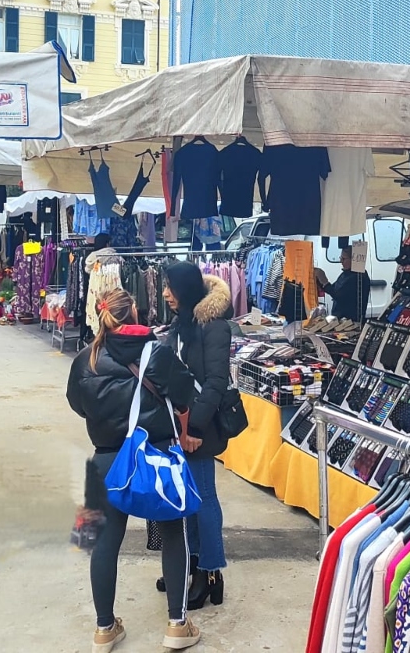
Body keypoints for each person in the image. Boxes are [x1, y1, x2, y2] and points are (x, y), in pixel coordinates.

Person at [67, 287, 203, 651]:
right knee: (174, 534)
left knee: (102, 543)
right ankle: (177, 624)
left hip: (104, 462)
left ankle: (104, 628)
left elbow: (77, 405)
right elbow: (185, 394)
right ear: (136, 315)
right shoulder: (156, 353)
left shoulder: (85, 360)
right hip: (155, 458)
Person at [159, 261, 232, 610]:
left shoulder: (213, 328)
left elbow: (216, 382)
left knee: (202, 498)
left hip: (200, 430)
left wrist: (196, 429)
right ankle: (191, 563)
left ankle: (210, 572)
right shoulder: (181, 324)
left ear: (186, 288)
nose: (165, 294)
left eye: (170, 287)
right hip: (178, 427)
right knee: (188, 499)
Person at [314, 246, 372, 321]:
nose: (341, 261)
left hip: (350, 320)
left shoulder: (358, 276)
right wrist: (320, 282)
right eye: (340, 258)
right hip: (339, 318)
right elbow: (333, 288)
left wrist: (324, 281)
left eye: (343, 259)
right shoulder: (346, 274)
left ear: (353, 260)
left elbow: (338, 295)